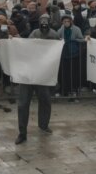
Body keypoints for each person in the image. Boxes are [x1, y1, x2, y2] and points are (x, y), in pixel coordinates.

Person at [15, 14, 60, 145]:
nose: (44, 26)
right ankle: (22, 133)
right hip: (28, 73)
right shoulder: (34, 33)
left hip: (43, 75)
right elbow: (26, 46)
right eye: (42, 24)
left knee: (45, 100)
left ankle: (44, 125)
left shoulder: (54, 34)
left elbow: (57, 52)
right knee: (23, 104)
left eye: (46, 24)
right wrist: (14, 41)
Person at [57, 14, 84, 96]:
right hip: (64, 54)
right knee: (64, 73)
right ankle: (64, 89)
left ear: (71, 21)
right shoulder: (60, 30)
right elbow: (57, 38)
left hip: (74, 54)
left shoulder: (76, 29)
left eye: (68, 21)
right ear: (62, 22)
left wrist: (74, 40)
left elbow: (81, 39)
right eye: (64, 21)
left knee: (74, 73)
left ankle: (74, 89)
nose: (66, 23)